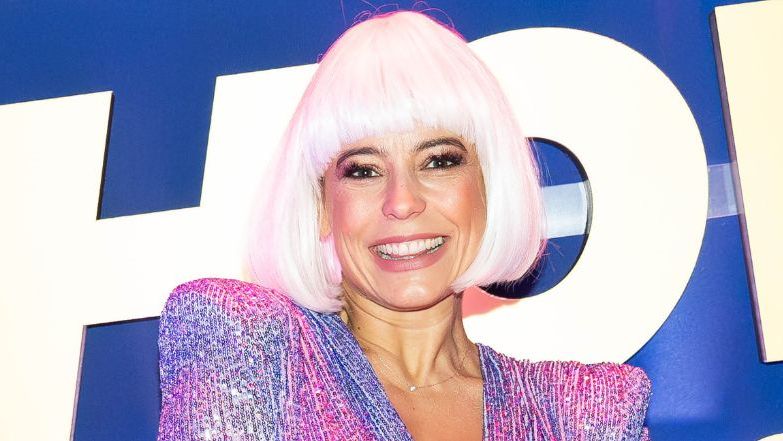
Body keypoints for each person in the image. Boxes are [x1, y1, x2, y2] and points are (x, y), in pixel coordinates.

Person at [157, 10, 652, 441]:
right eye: (364, 171)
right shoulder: (251, 349)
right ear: (321, 203)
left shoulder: (582, 414)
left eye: (439, 161)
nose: (402, 202)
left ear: (489, 188)